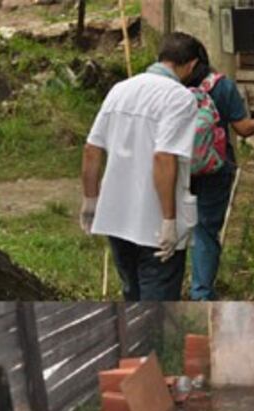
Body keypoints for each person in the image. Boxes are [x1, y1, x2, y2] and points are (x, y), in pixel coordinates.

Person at [80, 32, 202, 301]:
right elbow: (163, 157)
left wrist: (90, 200)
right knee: (158, 298)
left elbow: (91, 149)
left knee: (132, 294)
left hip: (115, 215)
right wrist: (169, 220)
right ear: (191, 65)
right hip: (154, 222)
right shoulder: (180, 98)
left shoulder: (120, 89)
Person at [185, 42, 254, 301]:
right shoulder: (222, 87)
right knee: (206, 230)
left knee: (174, 225)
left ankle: (171, 286)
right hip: (215, 169)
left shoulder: (171, 88)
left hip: (177, 168)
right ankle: (201, 292)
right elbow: (244, 129)